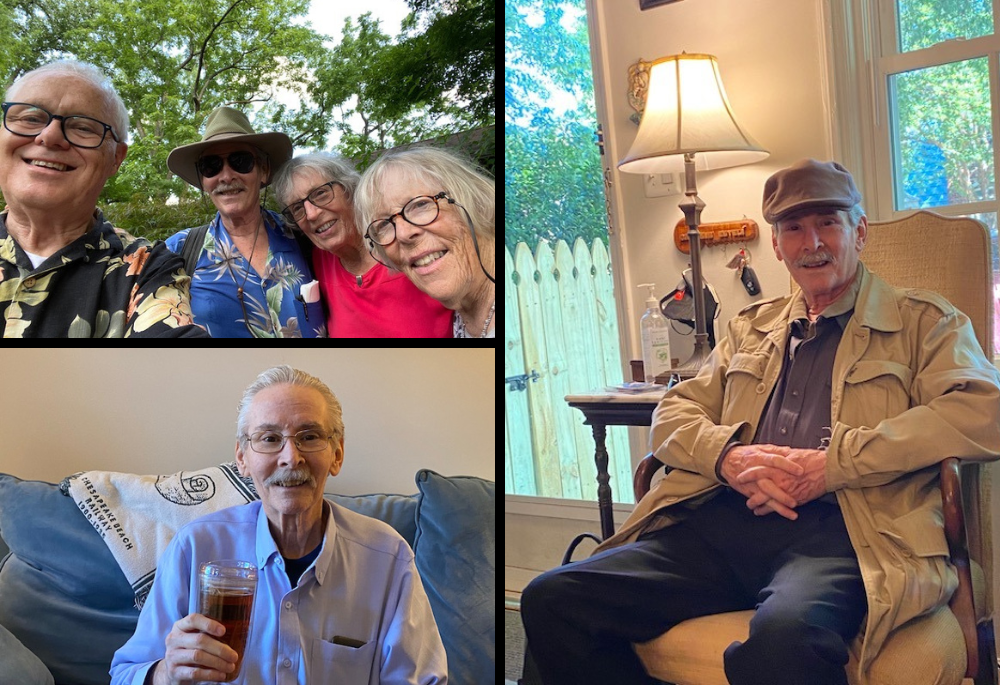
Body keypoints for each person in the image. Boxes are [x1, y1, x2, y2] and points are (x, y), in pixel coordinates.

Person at [521, 159, 1000, 685]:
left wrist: (833, 466)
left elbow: (983, 412)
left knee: (785, 640)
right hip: (724, 518)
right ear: (776, 246)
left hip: (847, 530)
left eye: (827, 223)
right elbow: (675, 411)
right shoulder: (751, 326)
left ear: (858, 232)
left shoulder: (925, 323)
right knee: (552, 599)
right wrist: (729, 458)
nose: (810, 242)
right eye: (793, 228)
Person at [109, 365, 447, 685]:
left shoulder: (387, 557)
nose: (290, 457)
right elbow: (125, 674)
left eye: (309, 436)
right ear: (242, 458)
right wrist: (168, 672)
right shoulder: (195, 547)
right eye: (269, 439)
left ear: (337, 454)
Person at [0, 60, 207, 338]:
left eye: (83, 127)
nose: (48, 136)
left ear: (116, 159)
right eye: (30, 118)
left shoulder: (147, 268)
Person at [165, 107, 324, 338]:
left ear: (264, 170)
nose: (226, 176)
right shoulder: (178, 250)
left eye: (240, 161)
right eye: (211, 166)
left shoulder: (302, 232)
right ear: (203, 180)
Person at [271, 152, 453, 337]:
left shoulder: (407, 242)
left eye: (320, 194)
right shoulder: (316, 263)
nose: (311, 214)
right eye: (297, 208)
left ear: (349, 190)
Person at [355, 146, 496, 339]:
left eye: (420, 204)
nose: (403, 234)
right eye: (384, 225)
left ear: (476, 201)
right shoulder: (463, 318)